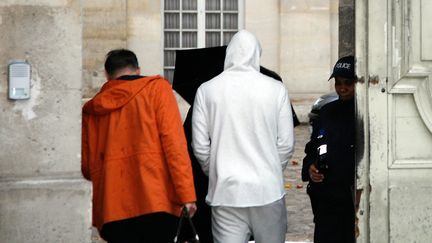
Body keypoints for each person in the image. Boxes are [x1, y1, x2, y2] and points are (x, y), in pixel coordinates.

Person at [81, 49, 197, 243]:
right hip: (156, 199)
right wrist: (186, 194)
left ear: (107, 75)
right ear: (138, 69)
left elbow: (87, 166)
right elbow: (174, 145)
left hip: (112, 207)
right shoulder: (157, 90)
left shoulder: (93, 109)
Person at [192, 30, 295, 243]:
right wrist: (271, 167)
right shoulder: (276, 89)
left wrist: (217, 171)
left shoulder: (207, 90)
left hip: (226, 191)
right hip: (267, 188)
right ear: (257, 54)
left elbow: (200, 146)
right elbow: (285, 144)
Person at [301, 55, 357, 243]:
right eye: (338, 82)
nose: (342, 88)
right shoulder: (326, 112)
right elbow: (312, 149)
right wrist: (311, 168)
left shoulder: (366, 112)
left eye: (348, 83)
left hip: (354, 203)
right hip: (326, 202)